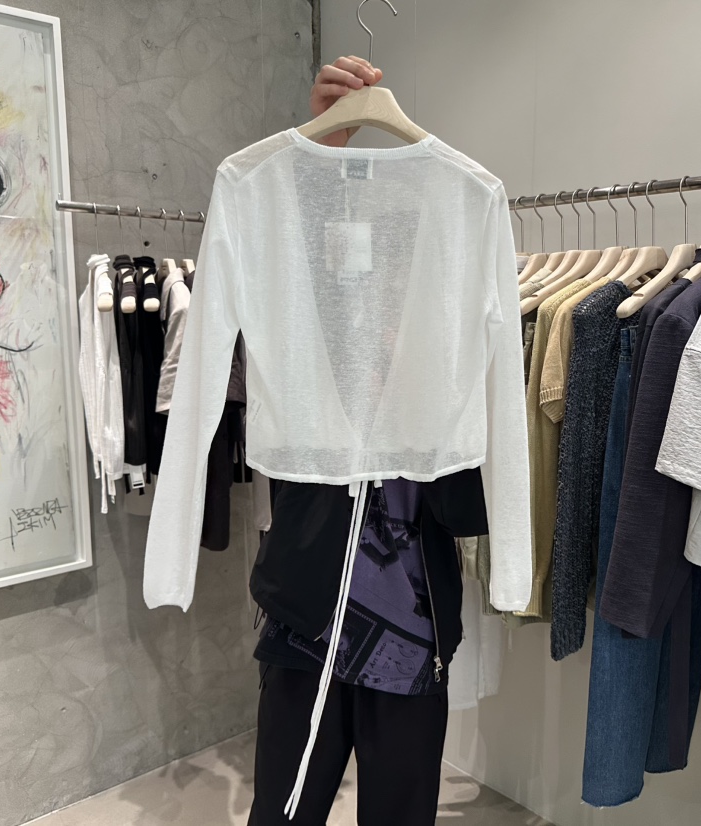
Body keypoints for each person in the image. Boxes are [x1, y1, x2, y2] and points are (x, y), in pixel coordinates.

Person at [247, 57, 486, 826]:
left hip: (412, 631)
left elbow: (472, 500)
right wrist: (328, 149)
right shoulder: (311, 342)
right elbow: (279, 258)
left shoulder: (450, 355)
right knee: (282, 813)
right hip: (305, 618)